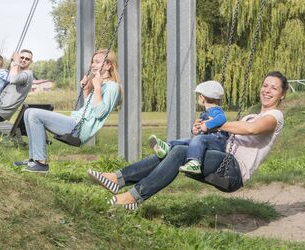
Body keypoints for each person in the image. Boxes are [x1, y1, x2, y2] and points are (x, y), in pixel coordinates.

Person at [88, 71, 288, 211]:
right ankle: (118, 179)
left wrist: (215, 125)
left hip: (232, 171)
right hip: (220, 158)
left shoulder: (276, 116)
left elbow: (252, 130)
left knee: (180, 153)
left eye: (274, 88)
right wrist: (202, 130)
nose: (267, 90)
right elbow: (229, 135)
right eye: (265, 85)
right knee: (173, 150)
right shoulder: (250, 115)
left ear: (282, 94)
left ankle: (133, 197)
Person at [13, 49, 122, 174]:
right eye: (93, 62)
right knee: (28, 112)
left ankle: (41, 163)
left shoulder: (112, 87)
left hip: (79, 129)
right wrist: (87, 89)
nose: (93, 65)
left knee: (33, 114)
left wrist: (96, 87)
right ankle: (33, 159)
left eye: (97, 62)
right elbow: (91, 108)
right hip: (76, 123)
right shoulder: (102, 83)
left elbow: (99, 113)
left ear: (108, 65)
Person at [148, 80, 228, 174]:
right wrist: (196, 129)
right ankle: (167, 147)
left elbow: (221, 118)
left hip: (218, 142)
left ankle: (194, 163)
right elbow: (203, 131)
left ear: (202, 98)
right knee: (187, 141)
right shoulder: (207, 112)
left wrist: (206, 125)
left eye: (199, 95)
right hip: (207, 140)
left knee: (197, 140)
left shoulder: (215, 110)